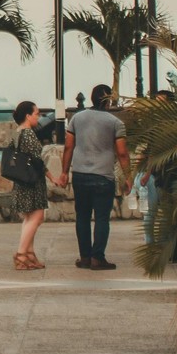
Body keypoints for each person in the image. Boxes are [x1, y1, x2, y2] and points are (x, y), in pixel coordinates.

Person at [59, 84, 128, 270]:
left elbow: (68, 147)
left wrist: (64, 172)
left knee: (82, 217)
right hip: (103, 176)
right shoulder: (115, 122)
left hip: (80, 174)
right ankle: (98, 258)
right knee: (102, 218)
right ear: (108, 100)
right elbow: (122, 153)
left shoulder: (77, 118)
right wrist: (127, 177)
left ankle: (85, 257)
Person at [9, 100, 49, 270]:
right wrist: (53, 177)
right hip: (33, 181)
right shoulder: (28, 134)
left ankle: (29, 254)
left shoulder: (17, 133)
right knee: (37, 217)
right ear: (28, 115)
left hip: (22, 180)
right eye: (36, 114)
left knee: (29, 217)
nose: (38, 118)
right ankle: (21, 253)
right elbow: (37, 160)